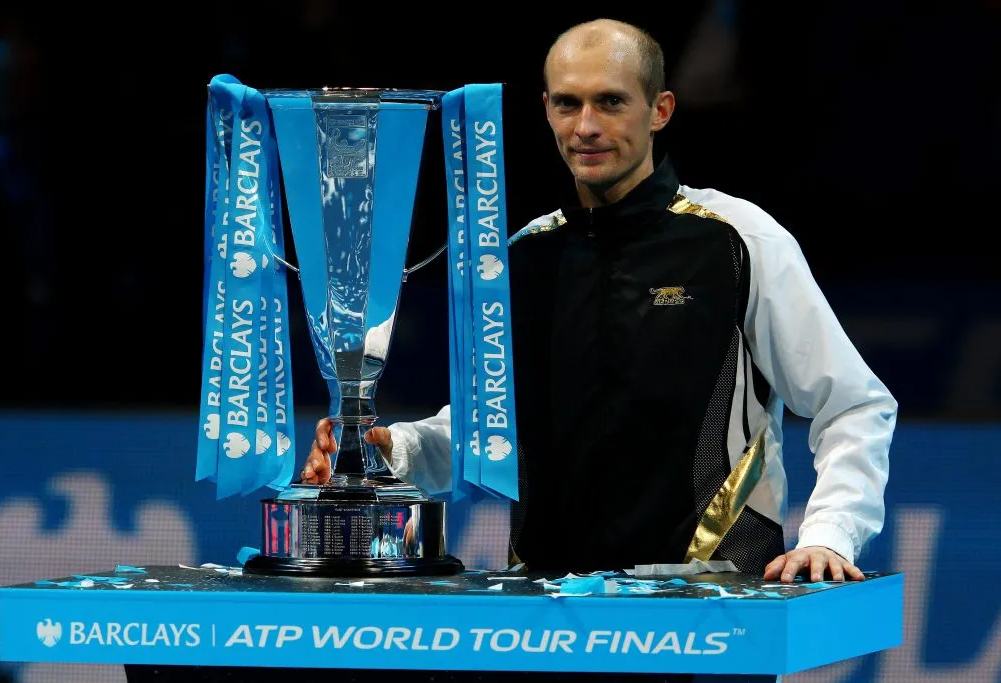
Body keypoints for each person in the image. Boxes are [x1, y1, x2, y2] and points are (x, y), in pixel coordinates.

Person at [303, 18, 896, 590]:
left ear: (660, 109)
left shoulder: (737, 240)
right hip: (545, 613)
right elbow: (490, 429)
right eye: (568, 103)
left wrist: (831, 535)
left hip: (710, 606)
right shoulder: (522, 257)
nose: (585, 125)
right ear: (545, 110)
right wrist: (394, 450)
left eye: (610, 102)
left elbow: (852, 405)